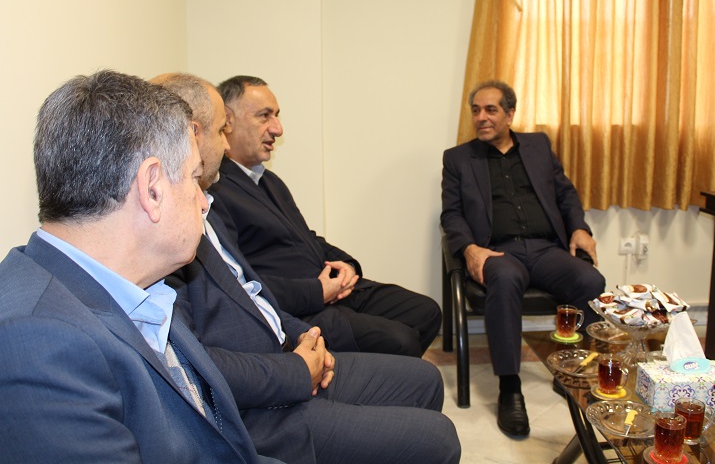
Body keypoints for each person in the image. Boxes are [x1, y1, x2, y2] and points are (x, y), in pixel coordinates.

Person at [154, 73, 461, 464]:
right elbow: (198, 362)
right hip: (265, 404)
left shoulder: (250, 190)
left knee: (427, 371)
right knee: (437, 434)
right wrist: (300, 364)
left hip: (290, 339)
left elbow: (258, 286)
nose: (226, 142)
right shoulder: (174, 228)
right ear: (193, 135)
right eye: (221, 130)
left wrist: (308, 329)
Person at [0, 70, 276, 463]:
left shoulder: (140, 287)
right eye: (195, 178)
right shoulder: (38, 344)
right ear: (152, 189)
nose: (203, 202)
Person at [208, 75, 441, 357]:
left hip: (332, 291)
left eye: (277, 116)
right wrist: (317, 291)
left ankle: (383, 374)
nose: (278, 129)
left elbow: (306, 238)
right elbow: (241, 282)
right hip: (300, 309)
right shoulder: (215, 190)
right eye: (264, 116)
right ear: (228, 121)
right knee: (400, 340)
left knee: (426, 312)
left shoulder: (269, 181)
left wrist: (348, 266)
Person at [441, 80, 606, 437]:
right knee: (504, 279)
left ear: (510, 114)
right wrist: (469, 248)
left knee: (591, 281)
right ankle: (510, 387)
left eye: (491, 110)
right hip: (499, 251)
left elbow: (565, 194)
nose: (481, 117)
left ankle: (571, 368)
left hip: (546, 249)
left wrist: (579, 228)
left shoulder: (538, 145)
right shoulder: (458, 159)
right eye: (476, 110)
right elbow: (451, 214)